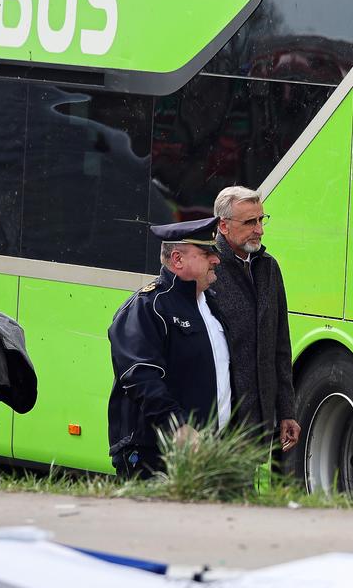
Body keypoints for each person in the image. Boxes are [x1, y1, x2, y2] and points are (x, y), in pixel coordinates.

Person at [107, 217, 232, 478]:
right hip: (157, 453)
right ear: (177, 259)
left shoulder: (211, 304)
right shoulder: (148, 306)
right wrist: (178, 427)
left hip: (209, 452)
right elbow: (140, 376)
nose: (216, 259)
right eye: (207, 253)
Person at [208, 187, 300, 453]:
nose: (259, 230)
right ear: (223, 226)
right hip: (220, 421)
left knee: (246, 492)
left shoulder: (269, 268)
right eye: (249, 222)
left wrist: (286, 411)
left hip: (257, 420)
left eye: (261, 219)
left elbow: (280, 347)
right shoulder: (208, 268)